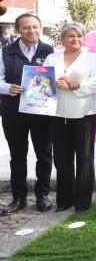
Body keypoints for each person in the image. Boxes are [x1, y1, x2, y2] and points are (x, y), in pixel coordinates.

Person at [43, 22, 96, 212]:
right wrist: (68, 79)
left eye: (79, 36)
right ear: (62, 38)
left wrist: (75, 87)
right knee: (62, 159)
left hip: (84, 113)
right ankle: (64, 199)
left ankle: (82, 201)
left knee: (84, 157)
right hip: (58, 113)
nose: (75, 39)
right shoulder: (53, 57)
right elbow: (45, 78)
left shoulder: (91, 58)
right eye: (70, 36)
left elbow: (95, 83)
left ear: (84, 38)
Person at [0, 14, 54, 215]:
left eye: (35, 27)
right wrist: (7, 88)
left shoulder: (49, 51)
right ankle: (19, 197)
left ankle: (43, 195)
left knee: (44, 154)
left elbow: (56, 76)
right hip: (13, 111)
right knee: (17, 155)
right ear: (17, 30)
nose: (31, 31)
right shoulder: (6, 52)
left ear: (40, 28)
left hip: (41, 112)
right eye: (26, 28)